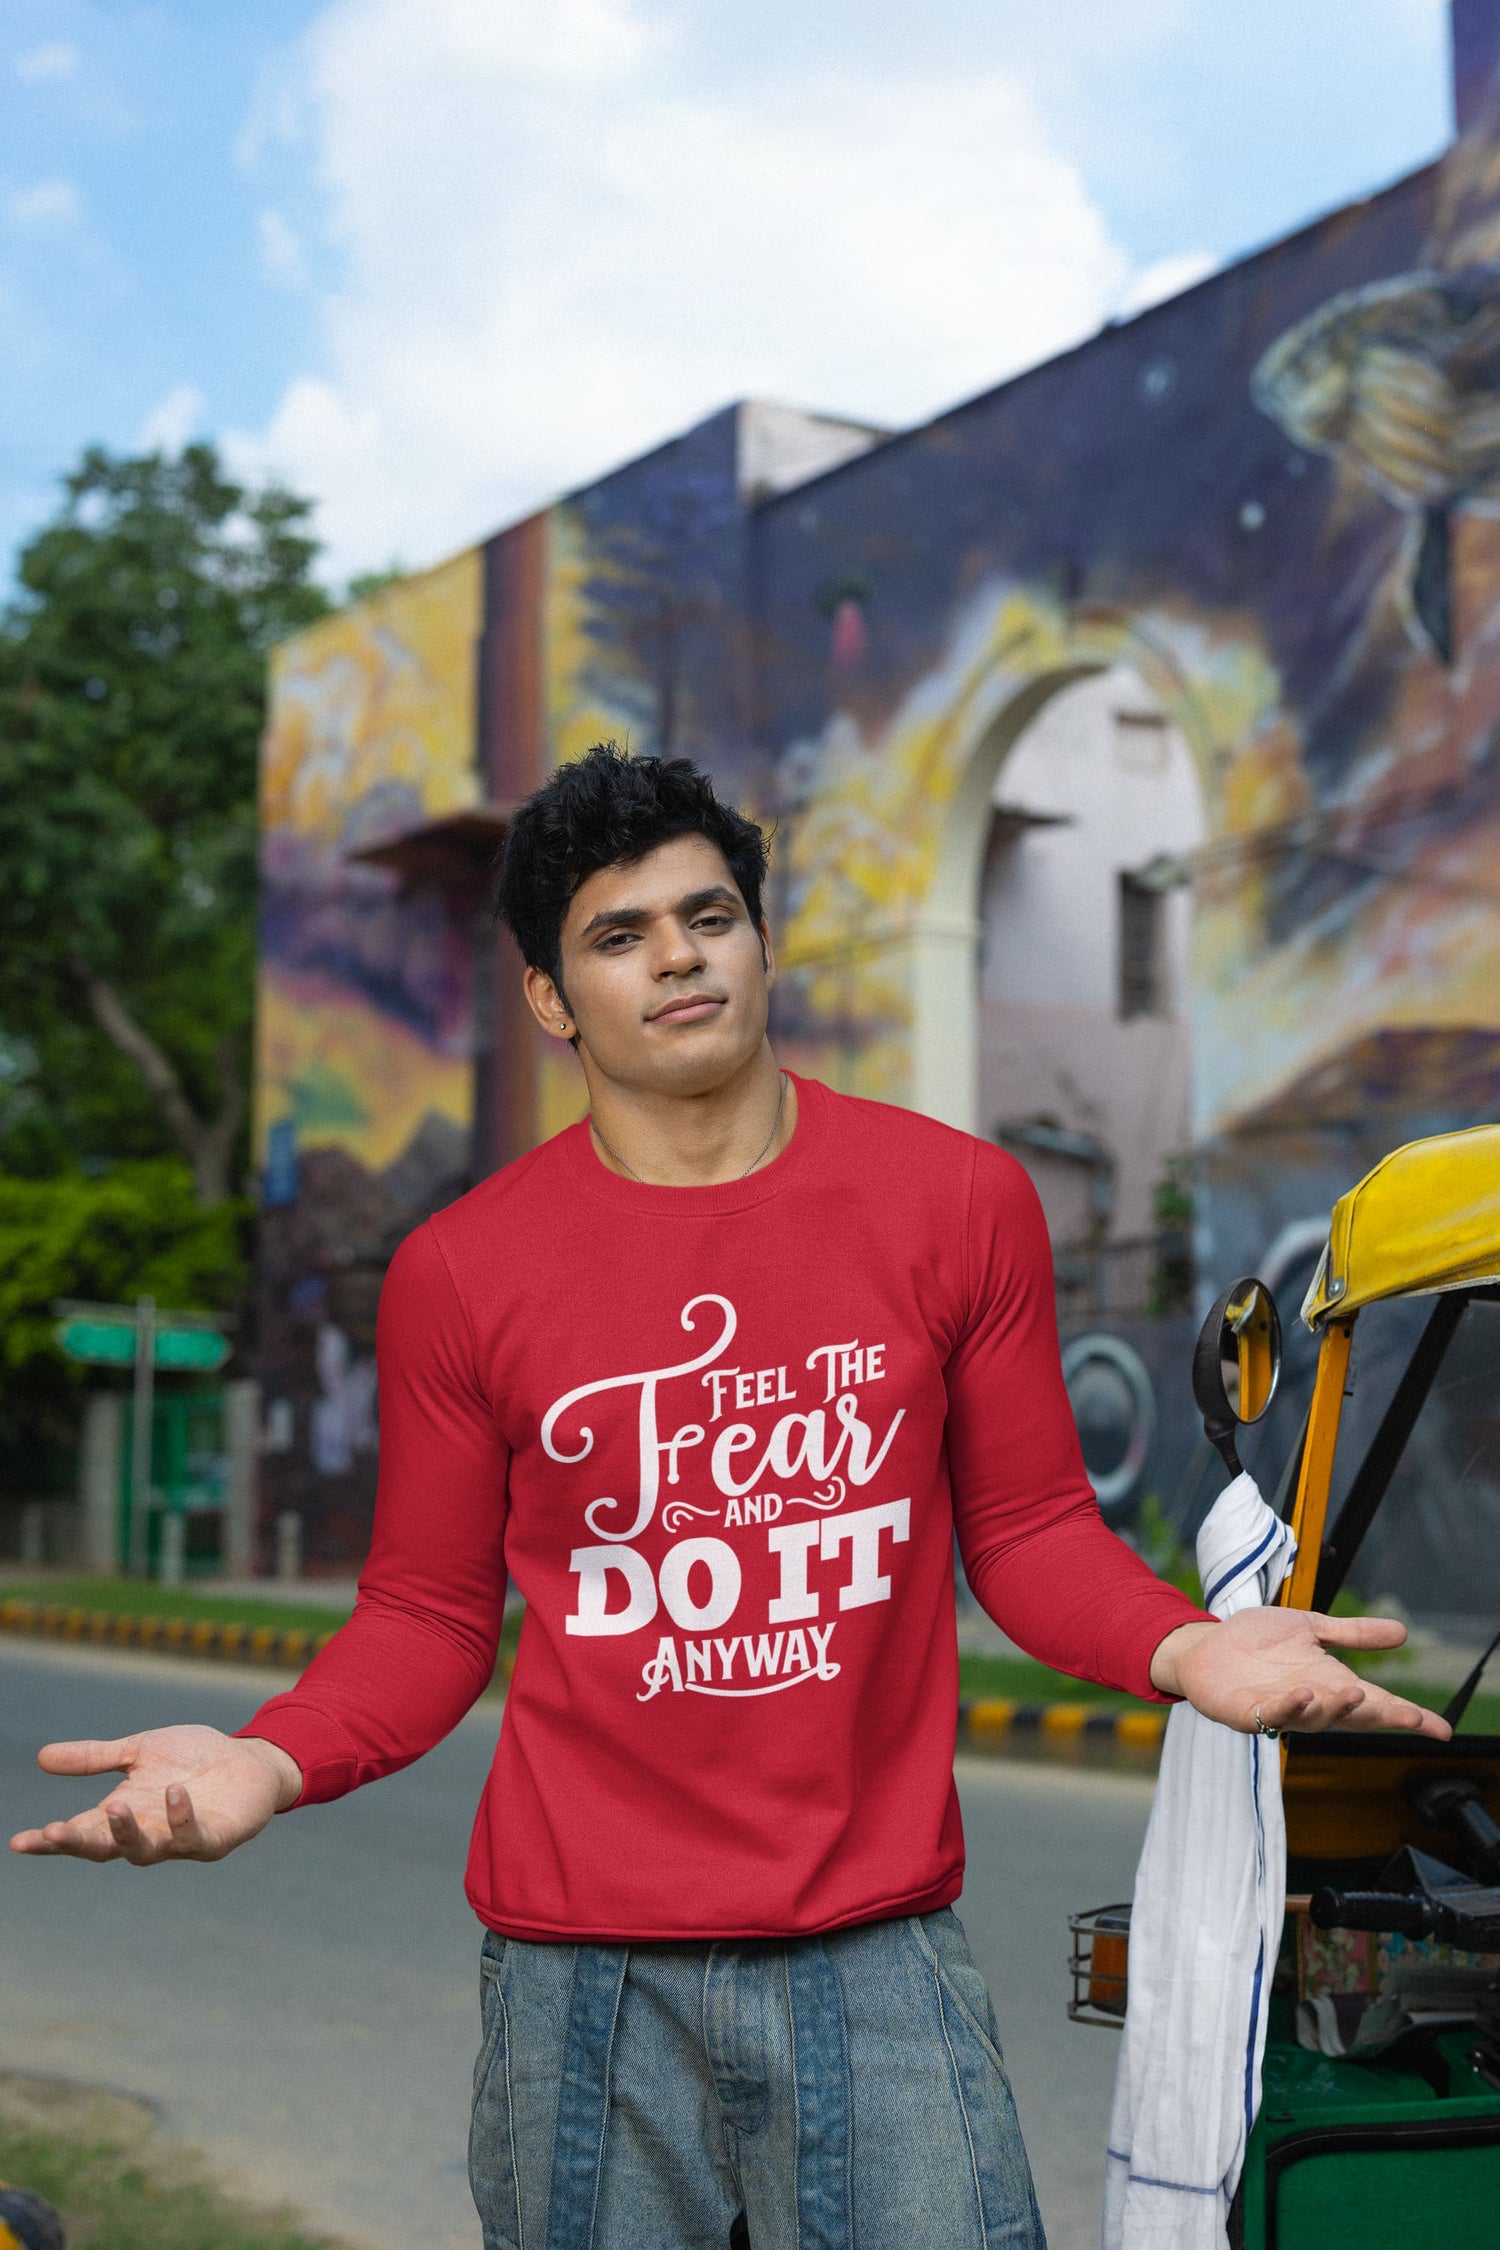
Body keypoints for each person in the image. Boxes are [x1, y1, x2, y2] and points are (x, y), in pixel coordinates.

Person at [12, 745, 1448, 2250]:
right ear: (552, 999)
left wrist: (1193, 1649)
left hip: (877, 1953)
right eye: (617, 935)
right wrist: (270, 1755)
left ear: (763, 941)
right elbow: (430, 1614)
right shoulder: (461, 1271)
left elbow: (1026, 1533)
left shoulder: (956, 1201)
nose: (677, 956)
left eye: (707, 915)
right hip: (581, 1986)